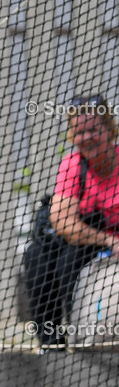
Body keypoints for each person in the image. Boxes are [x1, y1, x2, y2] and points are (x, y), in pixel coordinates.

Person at [28, 95, 119, 348]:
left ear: (109, 130)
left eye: (93, 129)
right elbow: (61, 223)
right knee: (35, 256)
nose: (86, 138)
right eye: (79, 132)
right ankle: (51, 345)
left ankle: (82, 339)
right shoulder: (72, 165)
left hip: (100, 250)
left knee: (71, 257)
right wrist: (107, 239)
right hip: (91, 239)